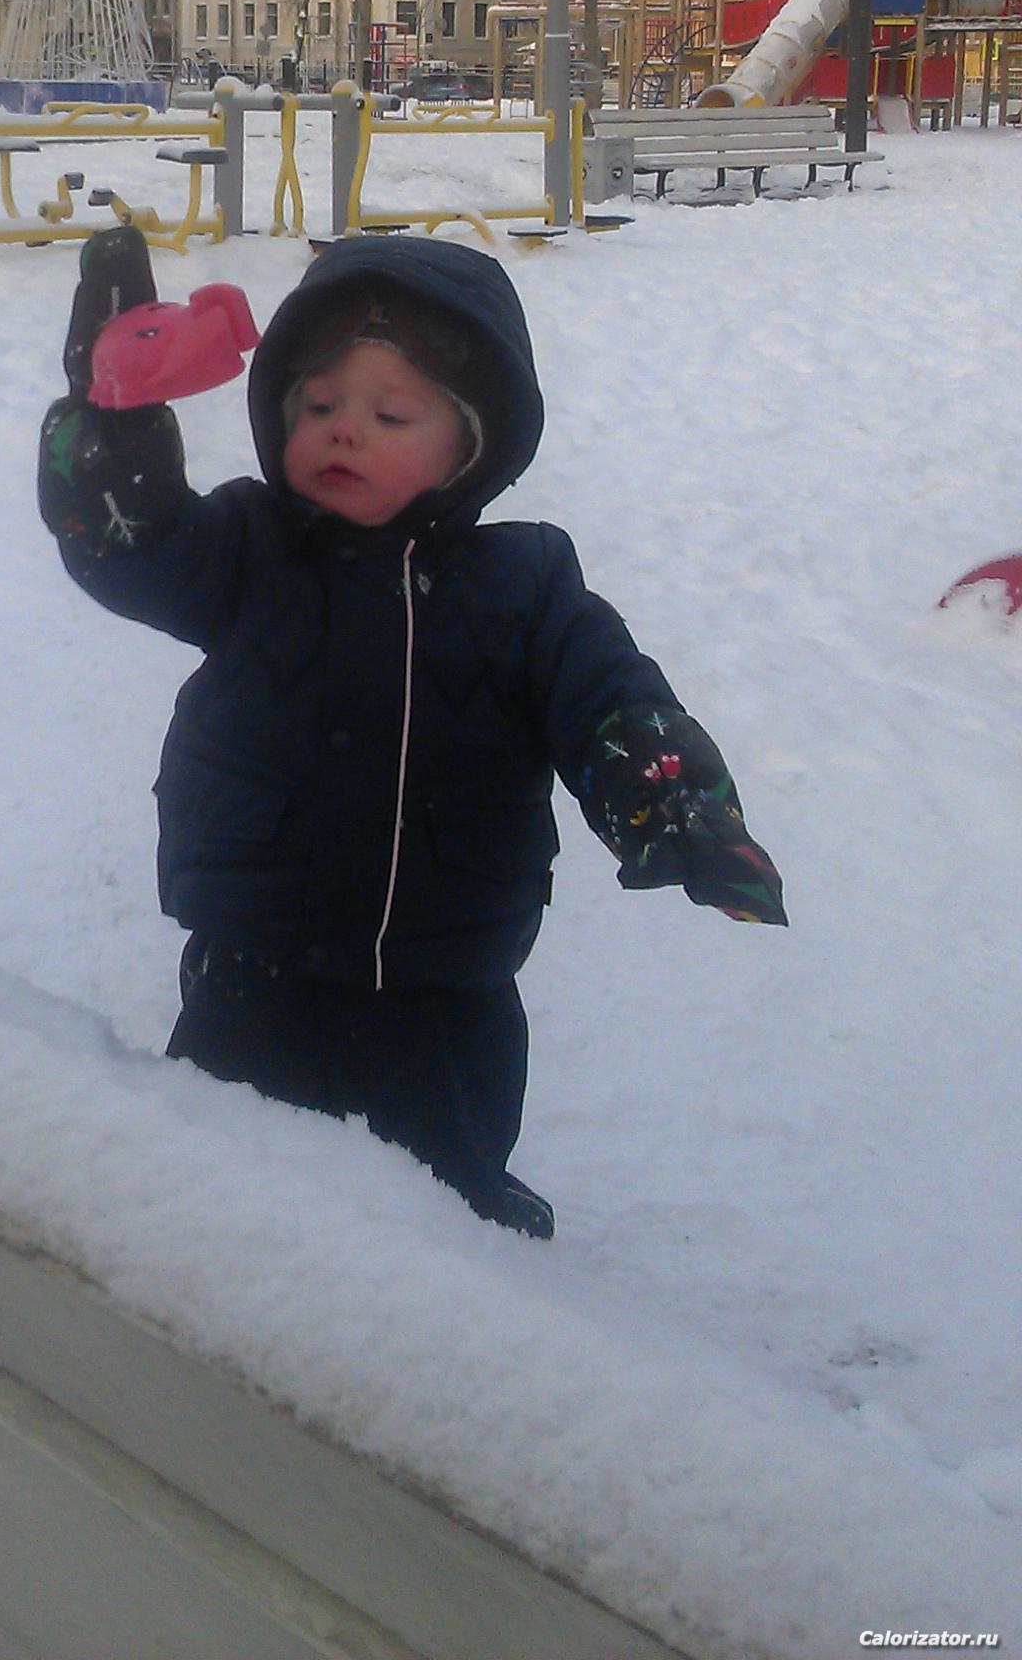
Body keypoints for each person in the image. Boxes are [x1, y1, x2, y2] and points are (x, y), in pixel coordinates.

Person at [39, 227, 785, 1241]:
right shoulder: (247, 551)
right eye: (317, 406)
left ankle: (463, 1221)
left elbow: (612, 699)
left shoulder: (524, 590)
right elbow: (132, 546)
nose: (344, 431)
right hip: (258, 959)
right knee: (219, 1157)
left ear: (470, 447)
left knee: (441, 1157)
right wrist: (112, 418)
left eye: (390, 414)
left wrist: (676, 802)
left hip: (443, 979)